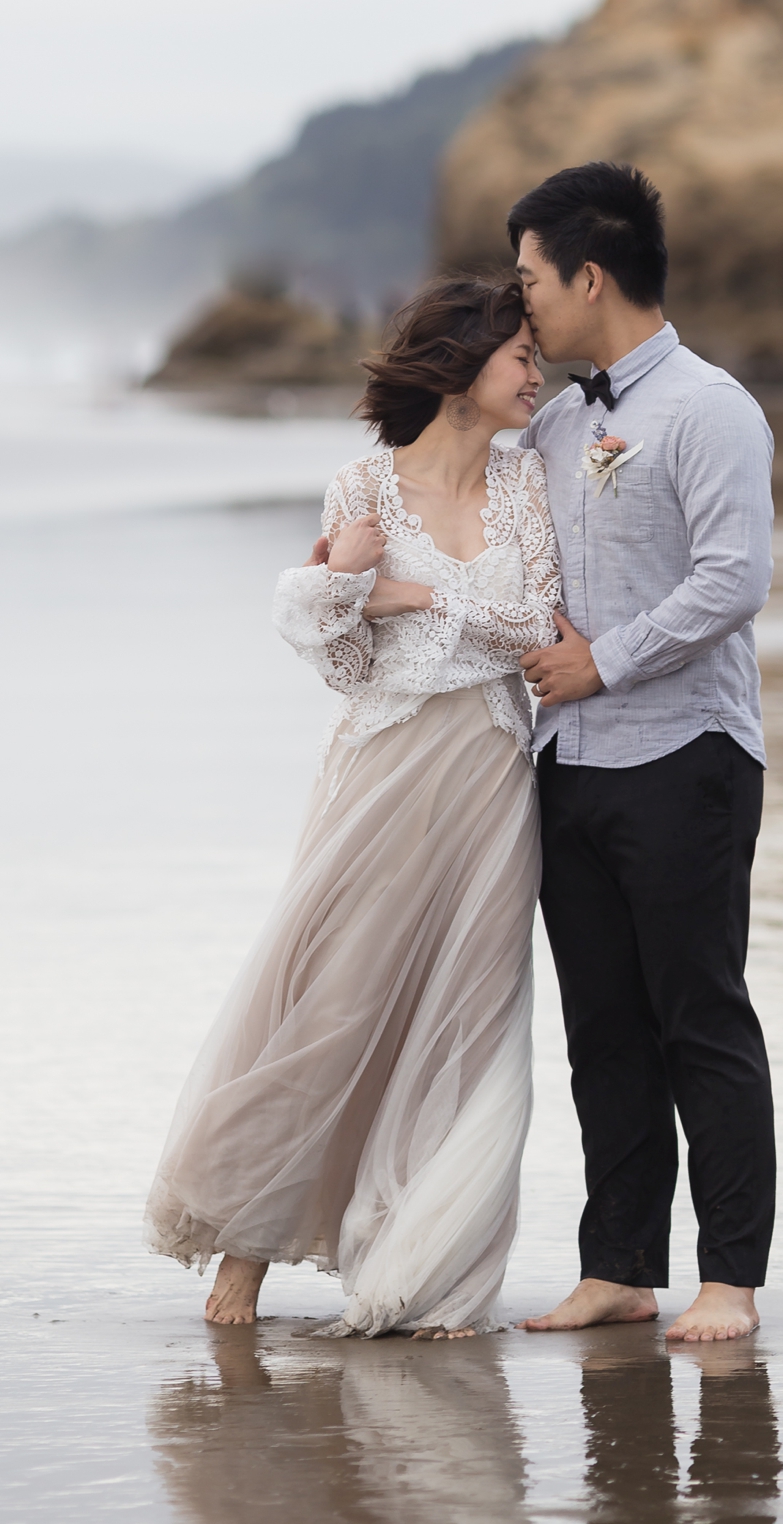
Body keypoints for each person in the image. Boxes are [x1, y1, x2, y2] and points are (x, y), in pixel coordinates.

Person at [144, 279, 561, 1337]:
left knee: (472, 1019)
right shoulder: (361, 487)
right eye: (521, 356)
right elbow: (344, 664)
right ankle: (243, 1252)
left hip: (491, 778)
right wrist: (348, 591)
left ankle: (431, 1275)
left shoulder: (527, 481)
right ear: (463, 368)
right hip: (381, 776)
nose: (538, 373)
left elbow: (537, 627)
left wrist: (415, 595)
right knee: (336, 1001)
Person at [512, 161, 777, 1344]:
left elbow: (734, 579)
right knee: (603, 1030)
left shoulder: (711, 409)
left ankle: (730, 1281)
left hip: (686, 756)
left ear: (590, 277)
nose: (522, 305)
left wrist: (605, 663)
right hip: (567, 765)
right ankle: (618, 1268)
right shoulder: (557, 423)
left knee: (699, 1020)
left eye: (530, 280)